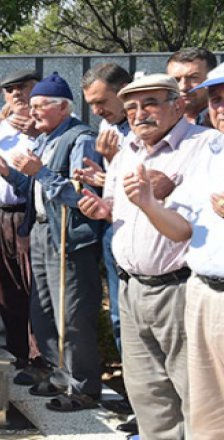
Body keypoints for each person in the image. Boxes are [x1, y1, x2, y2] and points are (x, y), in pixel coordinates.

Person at [78, 73, 212, 439]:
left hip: (180, 288)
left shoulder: (205, 147)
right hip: (131, 288)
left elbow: (190, 223)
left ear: (178, 105)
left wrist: (156, 200)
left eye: (151, 103)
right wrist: (103, 208)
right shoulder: (127, 151)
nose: (140, 114)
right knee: (147, 392)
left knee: (193, 393)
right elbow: (124, 208)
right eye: (133, 107)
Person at [0, 72, 103, 412]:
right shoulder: (45, 139)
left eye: (39, 106)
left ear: (62, 107)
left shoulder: (80, 138)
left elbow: (80, 195)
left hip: (66, 235)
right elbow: (33, 189)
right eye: (31, 105)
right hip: (37, 231)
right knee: (44, 311)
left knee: (72, 313)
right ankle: (58, 372)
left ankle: (83, 386)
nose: (31, 113)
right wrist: (7, 172)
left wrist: (41, 172)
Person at [142, 65, 224, 440]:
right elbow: (182, 229)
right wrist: (147, 203)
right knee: (207, 413)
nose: (220, 107)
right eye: (218, 99)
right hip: (202, 292)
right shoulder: (212, 150)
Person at [0, 69, 45, 384]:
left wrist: (35, 134)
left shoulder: (43, 126)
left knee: (32, 287)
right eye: (11, 91)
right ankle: (17, 351)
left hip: (26, 214)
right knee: (5, 288)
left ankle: (38, 357)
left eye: (24, 89)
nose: (17, 95)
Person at [78, 62, 132, 356]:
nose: (96, 110)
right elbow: (112, 177)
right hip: (114, 228)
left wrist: (115, 166)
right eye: (91, 104)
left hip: (149, 235)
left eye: (101, 102)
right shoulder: (106, 126)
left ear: (123, 91)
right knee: (119, 314)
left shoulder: (150, 128)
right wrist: (102, 175)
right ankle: (132, 387)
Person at [166, 47, 218, 127]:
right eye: (176, 80)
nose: (183, 87)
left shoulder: (219, 123)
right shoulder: (160, 124)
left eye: (193, 78)